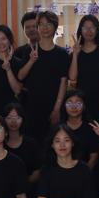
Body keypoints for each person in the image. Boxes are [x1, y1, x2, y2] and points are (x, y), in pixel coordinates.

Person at [29, 125, 97, 198]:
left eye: (66, 140)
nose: (62, 145)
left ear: (73, 143)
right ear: (52, 145)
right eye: (57, 141)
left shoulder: (83, 168)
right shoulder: (47, 169)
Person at [16, 11, 70, 140]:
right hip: (31, 104)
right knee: (32, 139)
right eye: (41, 24)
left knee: (52, 139)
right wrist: (31, 61)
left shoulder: (62, 53)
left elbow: (63, 82)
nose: (45, 28)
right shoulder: (29, 50)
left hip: (53, 104)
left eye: (49, 24)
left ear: (55, 27)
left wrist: (57, 108)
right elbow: (20, 76)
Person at [68, 15, 99, 124]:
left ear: (97, 30)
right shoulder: (75, 54)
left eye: (92, 27)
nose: (89, 31)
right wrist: (75, 55)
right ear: (81, 30)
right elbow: (72, 78)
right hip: (80, 105)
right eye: (85, 28)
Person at [3, 102, 41, 183]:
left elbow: (38, 170)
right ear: (4, 119)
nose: (13, 121)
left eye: (17, 118)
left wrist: (24, 184)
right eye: (9, 118)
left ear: (23, 119)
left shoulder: (31, 143)